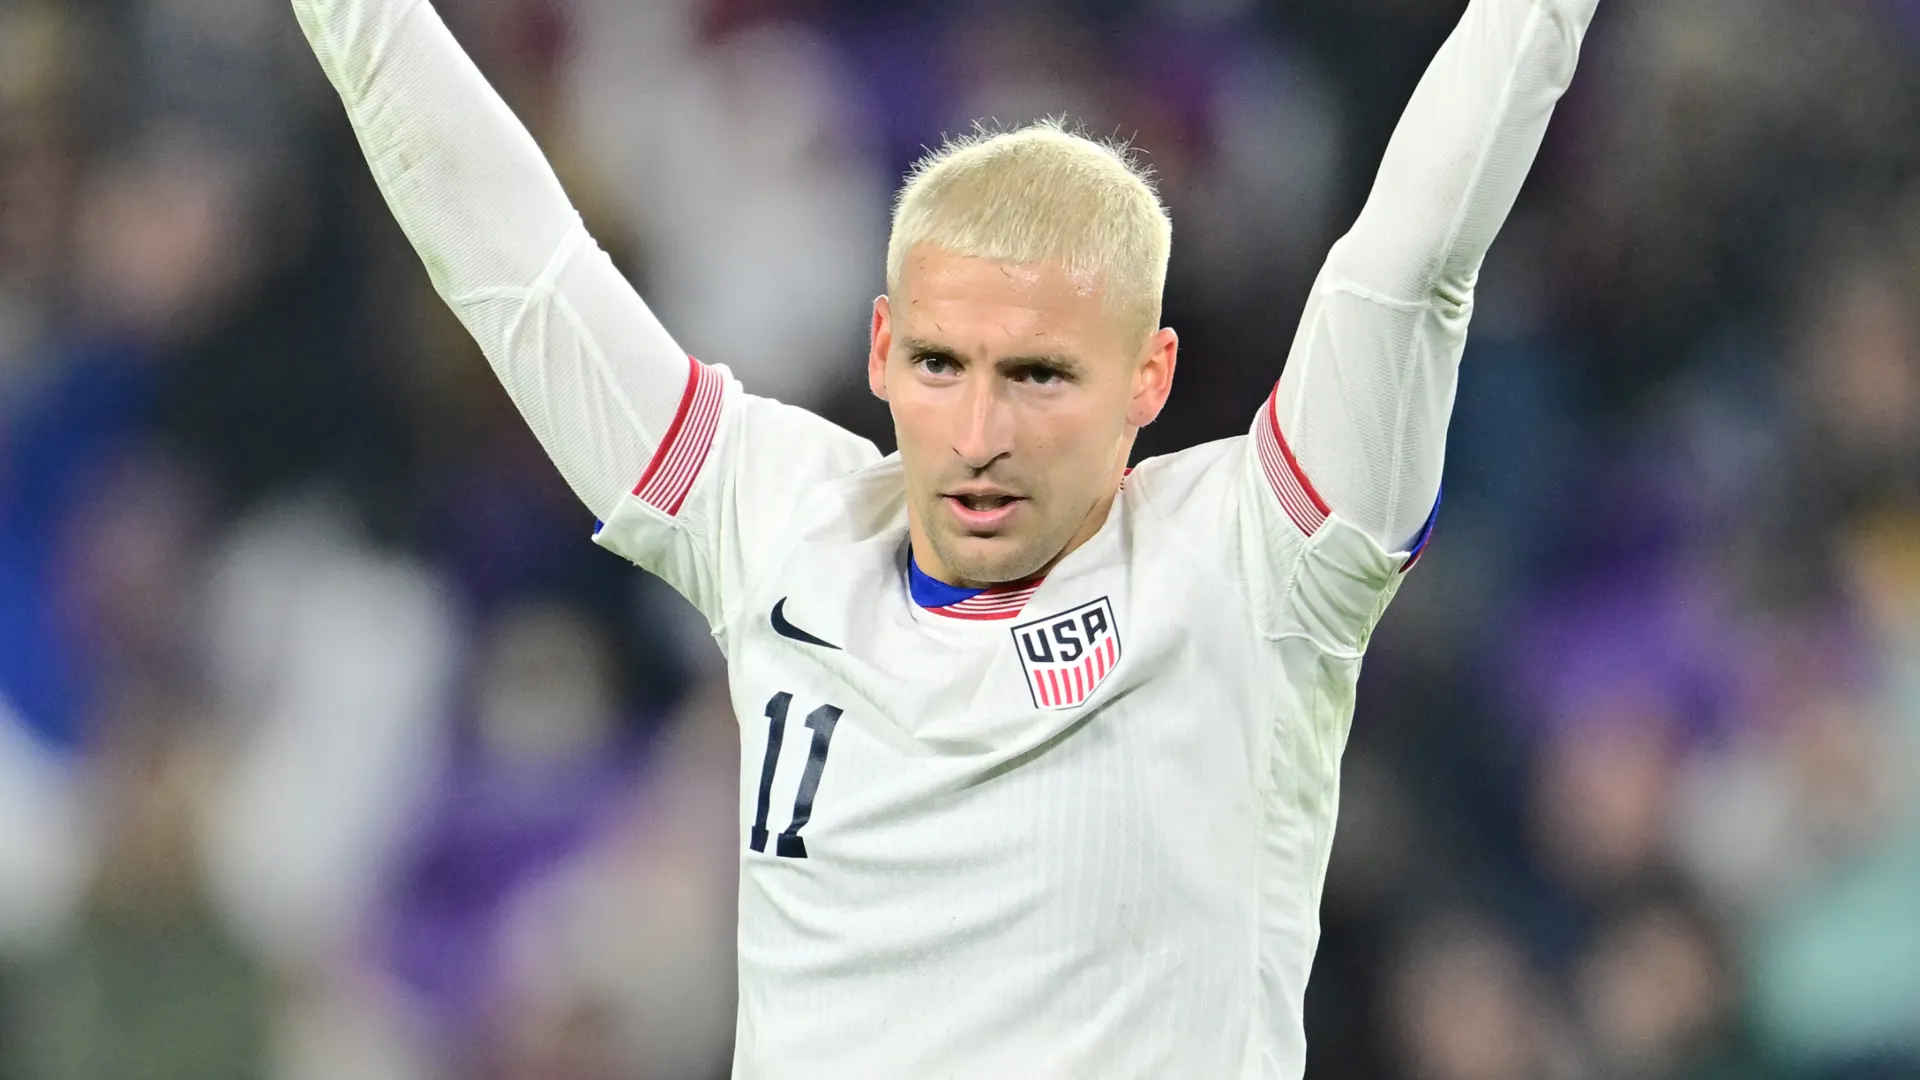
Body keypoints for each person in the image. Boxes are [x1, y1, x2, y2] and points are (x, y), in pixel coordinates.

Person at [291, 0, 1599, 1073]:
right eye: (940, 363)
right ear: (880, 350)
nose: (978, 430)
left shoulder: (1257, 565)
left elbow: (1413, 256)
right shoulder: (777, 520)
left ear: (1148, 380)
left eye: (1038, 375)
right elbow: (514, 261)